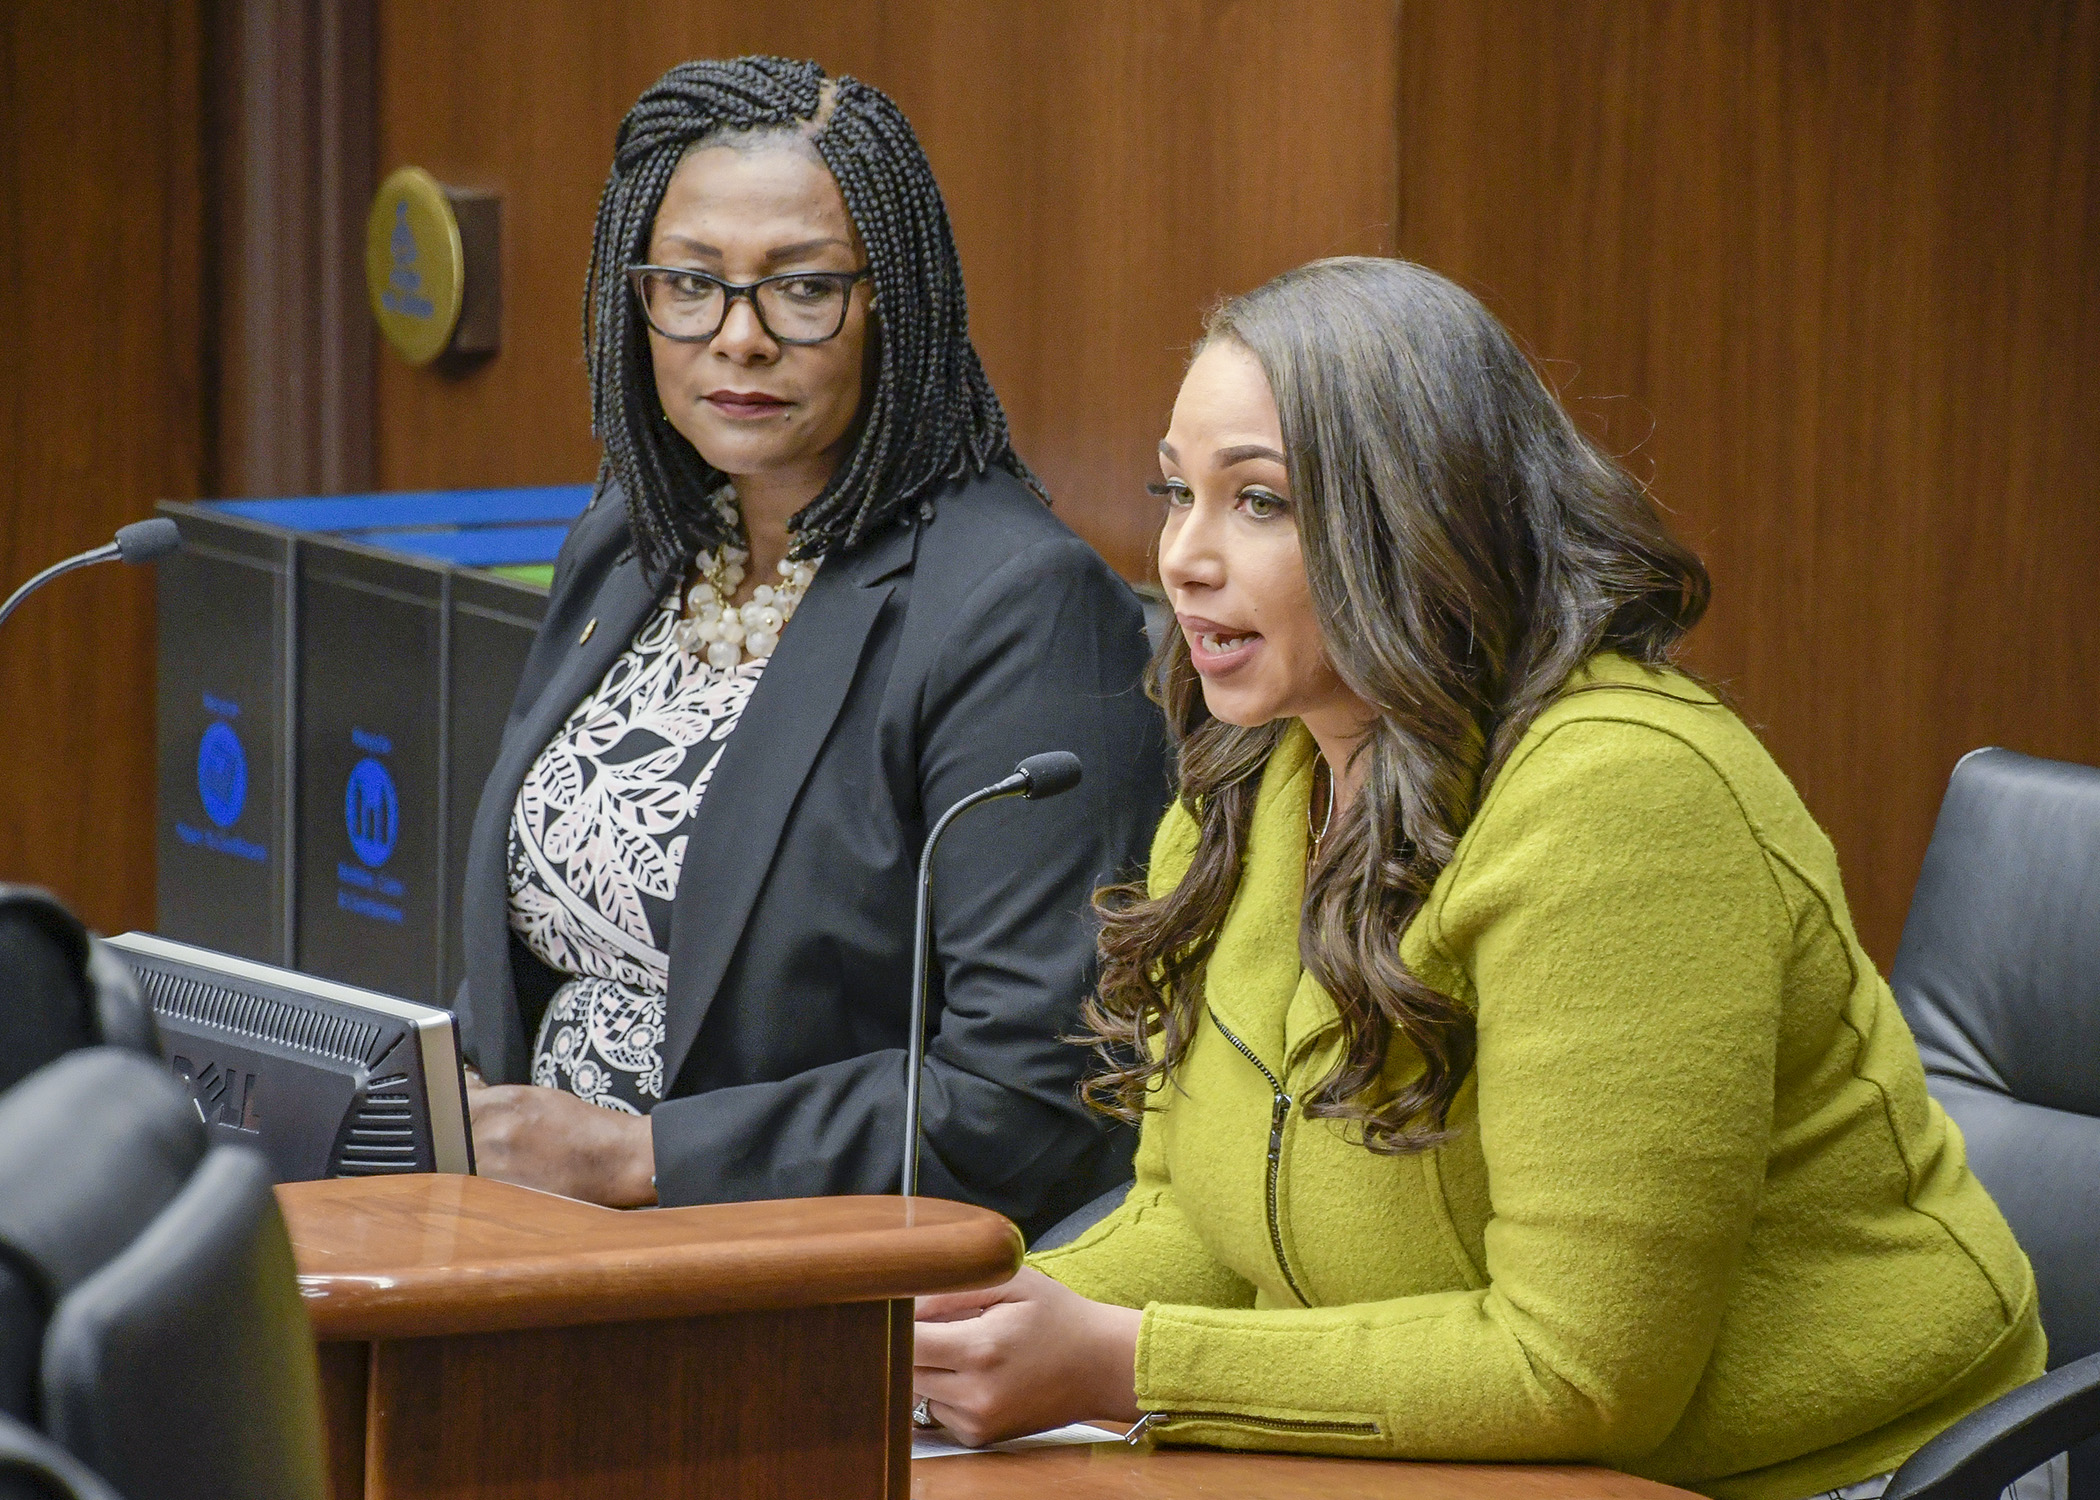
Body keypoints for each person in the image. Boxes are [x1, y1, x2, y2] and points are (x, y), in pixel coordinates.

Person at [910, 257, 2054, 1500]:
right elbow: (1202, 1219)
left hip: (1837, 1476)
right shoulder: (1247, 780)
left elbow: (1583, 1368)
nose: (1181, 555)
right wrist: (951, 1339)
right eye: (1175, 493)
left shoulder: (1622, 800)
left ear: (1419, 513)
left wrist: (1127, 1367)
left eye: (1260, 503)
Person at [453, 57, 1165, 1238]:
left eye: (802, 290)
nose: (737, 338)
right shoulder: (632, 541)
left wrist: (643, 1160)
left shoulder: (1018, 608)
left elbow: (1033, 1094)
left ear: (895, 301)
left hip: (799, 1290)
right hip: (536, 1245)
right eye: (689, 284)